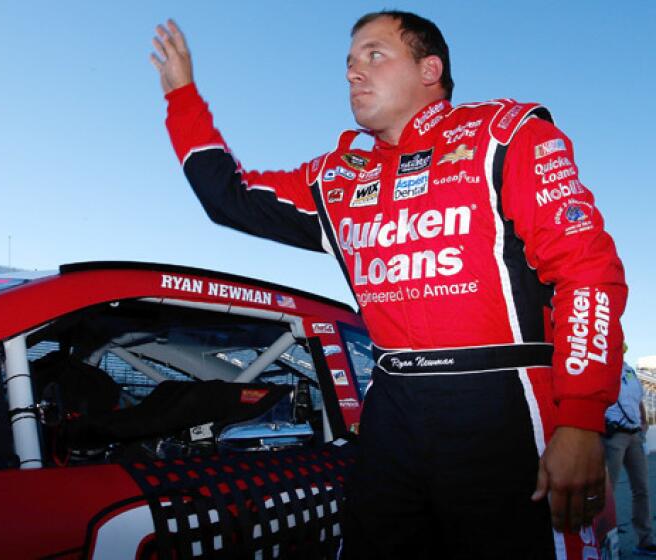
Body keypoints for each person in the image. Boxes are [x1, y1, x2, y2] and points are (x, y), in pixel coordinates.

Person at [151, 10, 627, 558]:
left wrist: (583, 423)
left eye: (374, 55)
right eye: (350, 63)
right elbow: (227, 197)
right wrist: (183, 97)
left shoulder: (507, 133)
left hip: (504, 405)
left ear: (430, 69)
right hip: (392, 411)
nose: (354, 72)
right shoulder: (337, 174)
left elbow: (586, 272)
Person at [603, 348, 656, 556]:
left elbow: (639, 400)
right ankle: (605, 542)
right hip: (614, 435)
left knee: (641, 489)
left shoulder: (630, 371)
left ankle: (645, 540)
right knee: (607, 492)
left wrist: (643, 424)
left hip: (635, 435)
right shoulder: (603, 370)